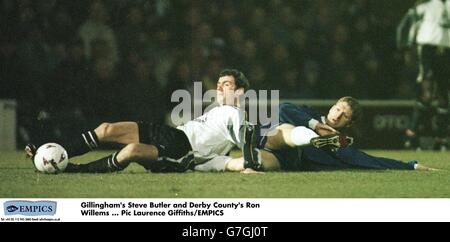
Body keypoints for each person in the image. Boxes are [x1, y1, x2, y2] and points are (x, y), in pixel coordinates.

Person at [25, 69, 253, 173]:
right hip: (172, 133)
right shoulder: (217, 110)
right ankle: (56, 151)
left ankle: (71, 169)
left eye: (227, 84)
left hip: (183, 151)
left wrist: (249, 164)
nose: (220, 87)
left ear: (240, 92)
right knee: (106, 129)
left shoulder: (236, 114)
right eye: (219, 83)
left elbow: (246, 139)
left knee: (131, 151)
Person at [194, 97, 437, 173]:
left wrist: (411, 166)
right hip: (266, 135)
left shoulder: (339, 144)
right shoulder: (307, 114)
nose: (338, 115)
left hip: (283, 159)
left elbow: (367, 160)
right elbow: (284, 108)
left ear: (349, 124)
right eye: (338, 108)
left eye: (345, 116)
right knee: (275, 132)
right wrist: (313, 124)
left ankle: (195, 165)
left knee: (249, 164)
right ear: (332, 106)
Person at [402, 0, 450, 151]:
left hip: (446, 48)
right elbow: (410, 23)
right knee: (427, 93)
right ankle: (411, 135)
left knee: (443, 94)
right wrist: (408, 46)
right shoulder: (426, 5)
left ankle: (442, 138)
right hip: (427, 48)